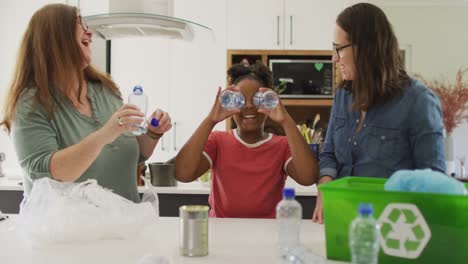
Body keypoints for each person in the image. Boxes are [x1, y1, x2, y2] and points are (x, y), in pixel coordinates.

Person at [0, 4, 172, 202]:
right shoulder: (30, 104)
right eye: (80, 24)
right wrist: (106, 133)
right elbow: (47, 176)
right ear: (56, 39)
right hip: (64, 231)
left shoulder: (104, 90)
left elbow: (132, 154)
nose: (90, 32)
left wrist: (152, 133)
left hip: (122, 228)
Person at [313, 3, 446, 223]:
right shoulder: (342, 95)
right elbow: (329, 155)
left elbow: (433, 184)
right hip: (341, 219)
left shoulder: (419, 101)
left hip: (393, 228)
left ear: (366, 48)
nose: (334, 59)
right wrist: (324, 189)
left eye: (339, 48)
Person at [174, 61, 318, 218]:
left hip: (266, 234)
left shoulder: (282, 145)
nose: (249, 106)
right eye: (240, 100)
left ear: (269, 101)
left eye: (257, 100)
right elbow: (183, 173)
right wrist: (210, 120)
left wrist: (286, 120)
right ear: (230, 101)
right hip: (222, 233)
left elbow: (308, 177)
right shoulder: (218, 141)